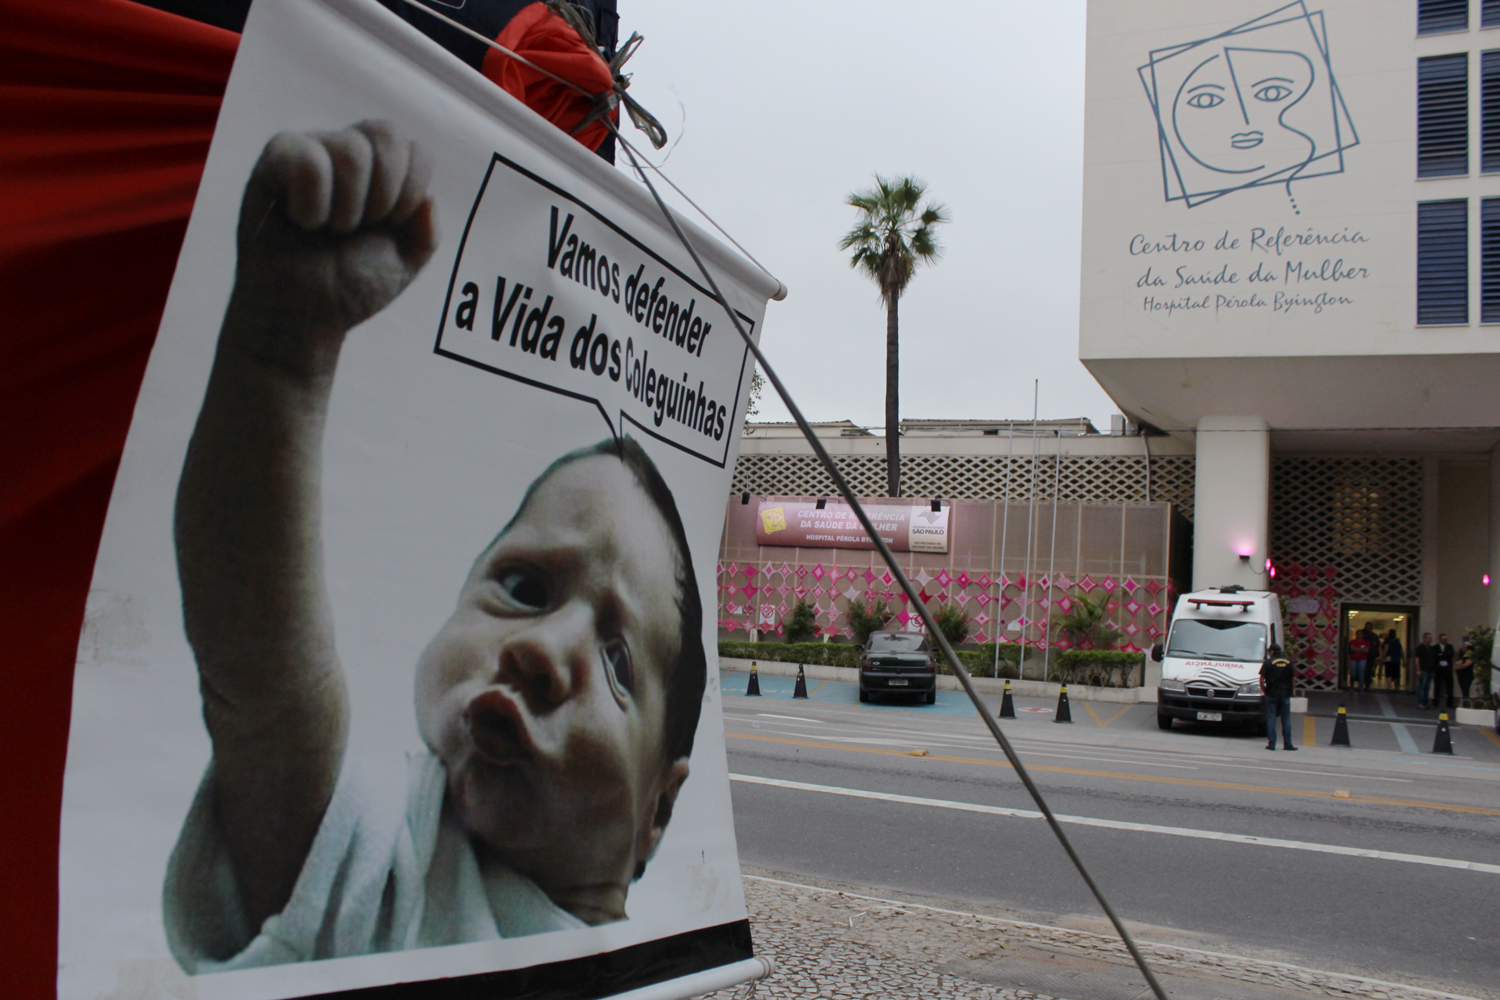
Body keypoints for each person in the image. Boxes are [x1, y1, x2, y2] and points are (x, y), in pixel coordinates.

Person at [164, 122, 705, 972]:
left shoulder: (655, 950)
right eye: (523, 586)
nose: (537, 647)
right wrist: (281, 352)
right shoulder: (396, 857)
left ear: (658, 813)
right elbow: (265, 687)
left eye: (616, 659)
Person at [1260, 644, 1297, 751]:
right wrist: (1291, 691)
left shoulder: (1268, 662)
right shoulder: (1289, 661)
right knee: (1286, 719)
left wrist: (1264, 691)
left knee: (1271, 719)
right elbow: (1294, 678)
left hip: (1271, 694)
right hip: (1285, 694)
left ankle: (1272, 744)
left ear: (1271, 652)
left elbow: (1261, 679)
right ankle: (1288, 744)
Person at [1434, 633, 1456, 710]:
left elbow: (1450, 655)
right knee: (1437, 686)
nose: (1445, 641)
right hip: (1439, 669)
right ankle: (1436, 702)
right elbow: (1435, 656)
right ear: (1440, 639)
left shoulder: (1450, 647)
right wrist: (1442, 655)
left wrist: (1442, 655)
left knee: (1449, 686)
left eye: (1446, 639)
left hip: (1447, 669)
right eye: (1443, 639)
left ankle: (1450, 702)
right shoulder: (1435, 647)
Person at [1415, 632, 1437, 708]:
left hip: (1430, 670)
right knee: (1422, 686)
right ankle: (1420, 702)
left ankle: (1425, 702)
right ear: (1425, 639)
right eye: (1429, 638)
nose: (1431, 640)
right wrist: (1418, 670)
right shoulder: (1420, 648)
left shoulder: (1431, 648)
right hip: (1423, 669)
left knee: (1427, 687)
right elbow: (1417, 659)